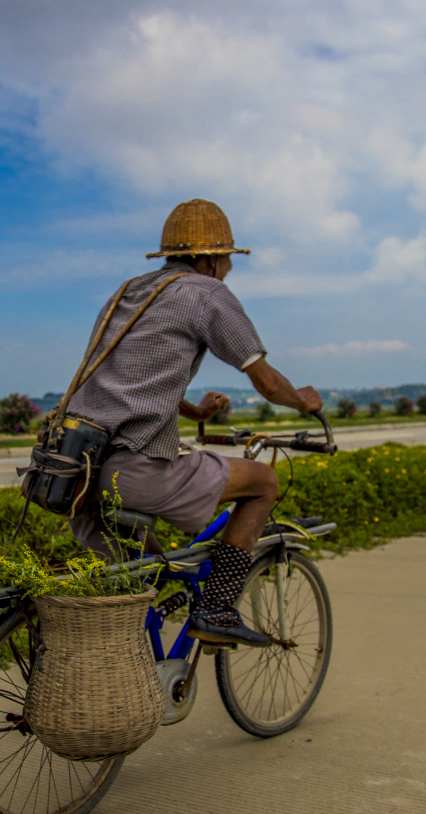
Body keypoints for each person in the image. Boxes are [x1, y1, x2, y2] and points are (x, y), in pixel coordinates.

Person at [67, 198, 323, 647]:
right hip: (135, 469)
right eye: (226, 260)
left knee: (152, 571)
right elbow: (264, 380)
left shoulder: (128, 293)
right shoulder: (206, 292)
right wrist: (303, 402)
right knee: (263, 481)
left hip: (78, 472)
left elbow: (126, 383)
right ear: (209, 259)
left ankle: (136, 655)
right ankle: (217, 608)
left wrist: (195, 412)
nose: (227, 270)